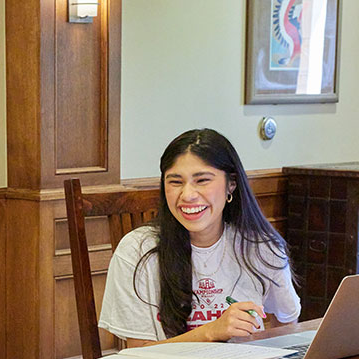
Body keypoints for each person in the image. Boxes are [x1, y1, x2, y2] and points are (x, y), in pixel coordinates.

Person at [98, 128, 300, 346]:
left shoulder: (261, 247)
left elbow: (287, 326)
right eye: (175, 182)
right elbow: (137, 352)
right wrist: (211, 331)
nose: (188, 195)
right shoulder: (136, 250)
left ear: (231, 183)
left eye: (202, 180)